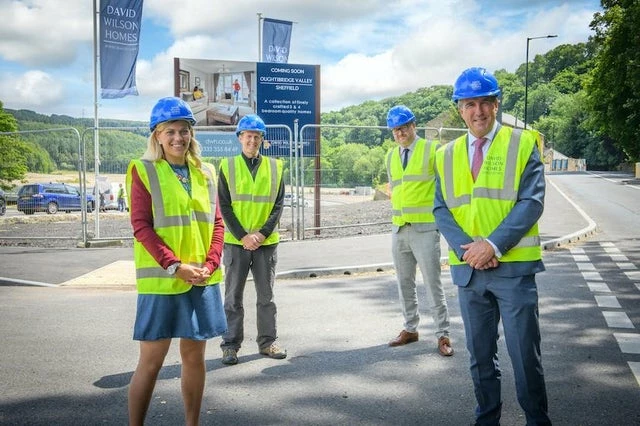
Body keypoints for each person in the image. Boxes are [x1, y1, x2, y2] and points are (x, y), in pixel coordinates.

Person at [433, 67, 550, 425]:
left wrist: (493, 246)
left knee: (524, 358)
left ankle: (537, 421)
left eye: (485, 102)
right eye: (470, 104)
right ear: (459, 109)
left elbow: (532, 202)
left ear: (497, 105)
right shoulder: (446, 154)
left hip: (513, 270)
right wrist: (467, 249)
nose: (478, 111)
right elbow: (441, 207)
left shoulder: (522, 142)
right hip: (468, 271)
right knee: (480, 358)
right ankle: (487, 420)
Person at [125, 97, 227, 426]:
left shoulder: (206, 172)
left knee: (195, 357)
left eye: (184, 131)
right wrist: (175, 266)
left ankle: (192, 424)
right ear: (156, 135)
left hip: (201, 278)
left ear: (192, 134)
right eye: (169, 131)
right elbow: (141, 226)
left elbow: (217, 223)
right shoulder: (143, 170)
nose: (178, 138)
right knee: (152, 361)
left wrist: (210, 265)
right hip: (163, 280)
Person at [384, 105, 453, 357]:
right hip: (400, 229)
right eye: (395, 130)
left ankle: (443, 334)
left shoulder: (432, 150)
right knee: (404, 283)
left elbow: (447, 186)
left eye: (403, 127)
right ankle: (410, 329)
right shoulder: (391, 156)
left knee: (433, 284)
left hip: (425, 229)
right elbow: (395, 188)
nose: (399, 133)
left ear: (414, 125)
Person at [217, 114, 286, 365]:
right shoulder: (227, 166)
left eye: (257, 136)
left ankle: (268, 342)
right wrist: (243, 236)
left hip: (265, 243)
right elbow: (224, 205)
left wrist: (261, 234)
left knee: (266, 297)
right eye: (248, 136)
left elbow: (278, 205)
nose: (253, 140)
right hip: (237, 243)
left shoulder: (276, 167)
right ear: (240, 138)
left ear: (262, 140)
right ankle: (230, 344)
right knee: (233, 296)